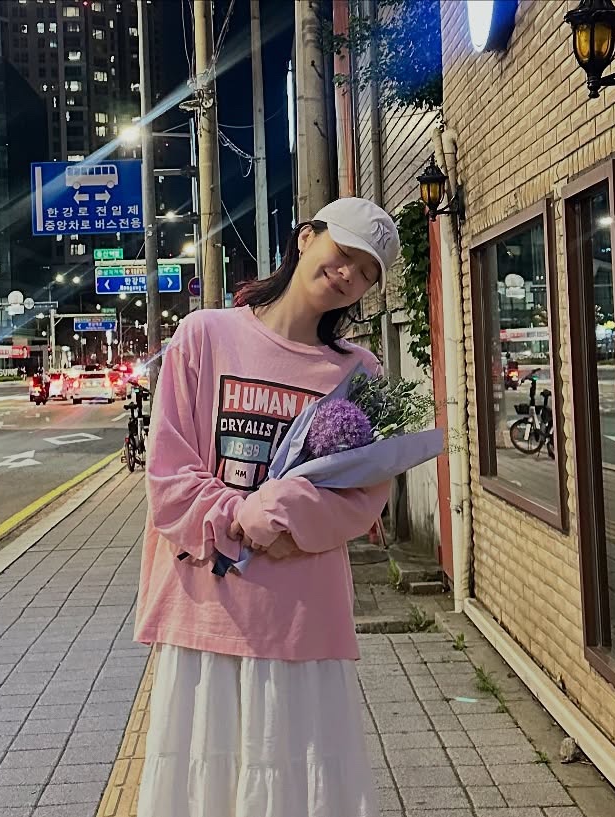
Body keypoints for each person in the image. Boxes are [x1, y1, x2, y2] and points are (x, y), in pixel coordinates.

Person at [135, 197, 401, 816]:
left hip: (301, 619)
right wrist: (238, 516)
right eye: (344, 254)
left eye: (366, 272)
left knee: (295, 787)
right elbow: (168, 476)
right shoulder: (206, 335)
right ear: (306, 238)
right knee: (205, 786)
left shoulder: (358, 371)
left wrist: (288, 518)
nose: (349, 275)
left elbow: (364, 497)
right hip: (207, 612)